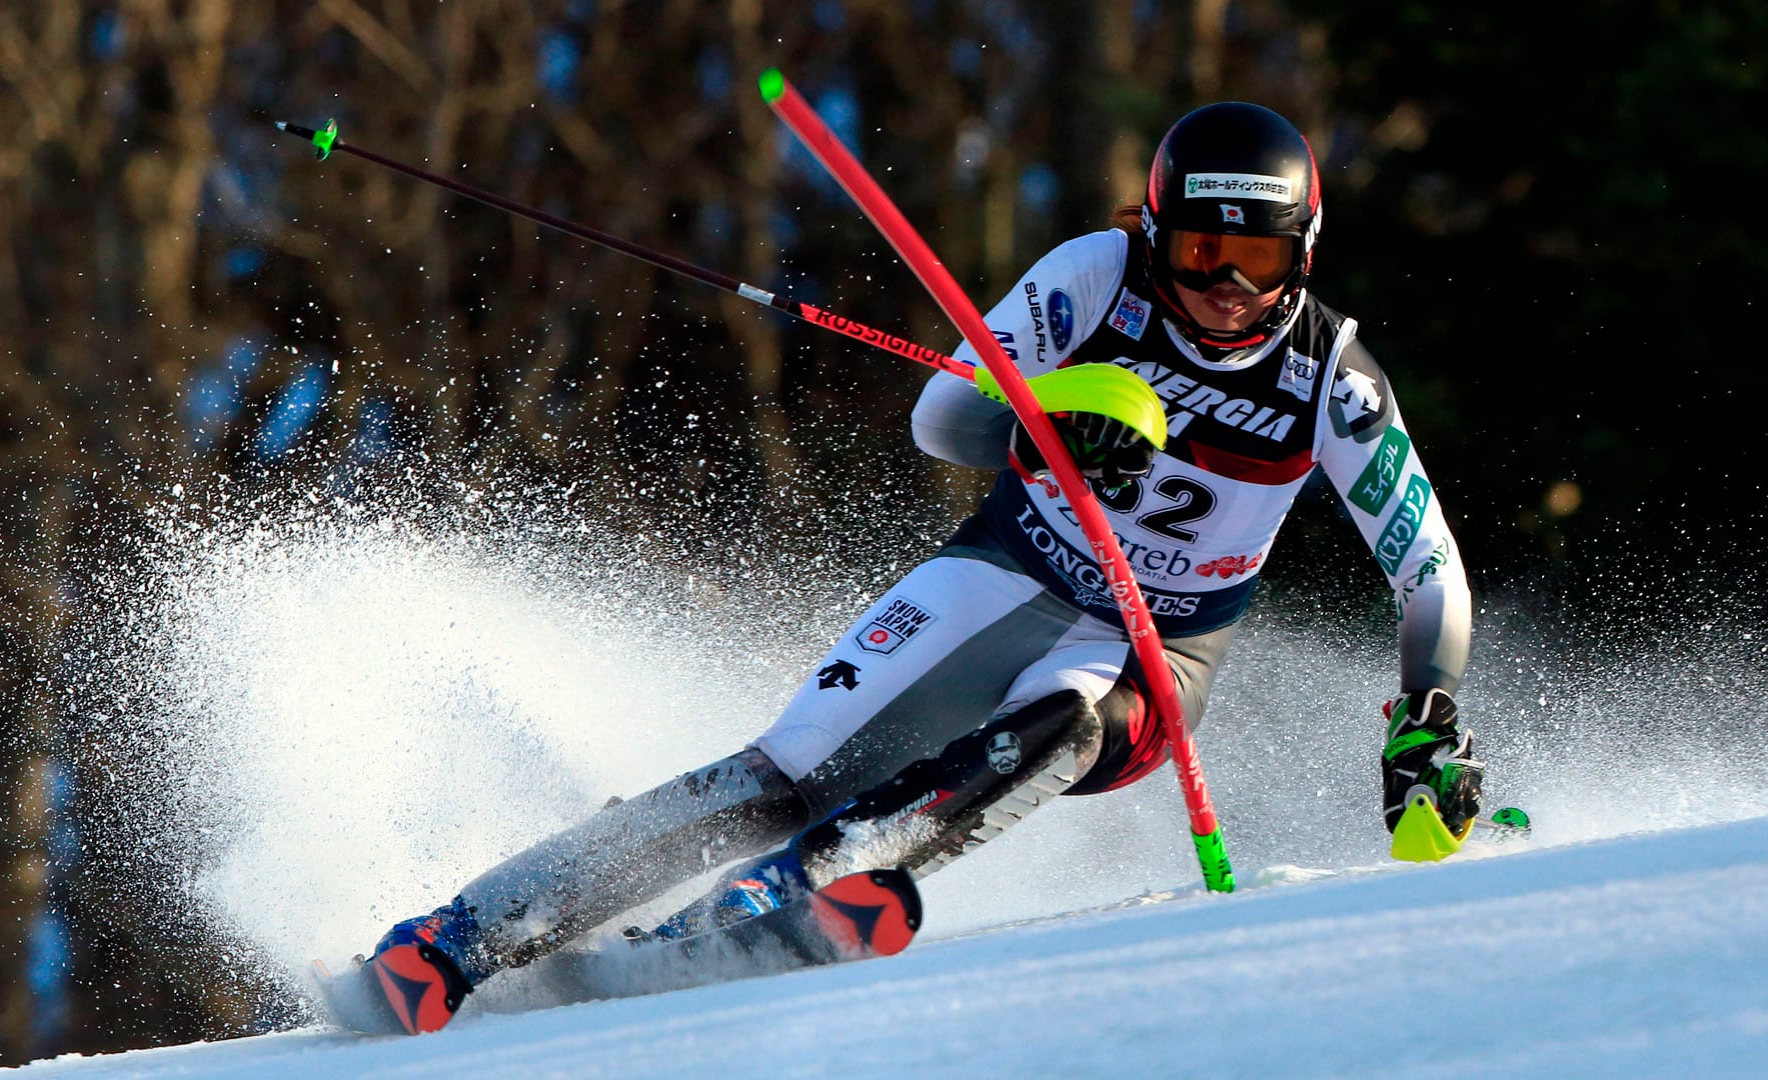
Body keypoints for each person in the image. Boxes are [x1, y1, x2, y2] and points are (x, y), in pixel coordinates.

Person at [358, 101, 1478, 1032]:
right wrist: (1047, 427)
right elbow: (945, 417)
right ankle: (459, 939)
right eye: (1201, 251)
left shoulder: (1331, 377)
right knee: (787, 769)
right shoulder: (1099, 277)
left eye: (1260, 258)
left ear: (1307, 251)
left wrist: (1425, 707)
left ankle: (794, 890)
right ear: (1156, 232)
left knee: (1067, 718)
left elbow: (1427, 565)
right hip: (1010, 566)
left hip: (1153, 644)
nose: (1227, 288)